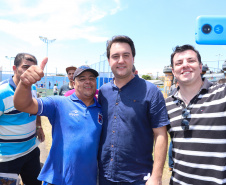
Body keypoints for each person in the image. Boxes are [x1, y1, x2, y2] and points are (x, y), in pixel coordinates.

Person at [13, 61, 102, 185]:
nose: (87, 81)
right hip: (57, 179)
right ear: (74, 83)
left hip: (88, 180)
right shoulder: (59, 103)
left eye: (91, 78)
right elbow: (22, 104)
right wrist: (25, 84)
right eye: (82, 78)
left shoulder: (103, 109)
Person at [98, 35, 169, 185]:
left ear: (133, 59)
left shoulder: (151, 91)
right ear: (109, 60)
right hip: (104, 175)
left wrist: (156, 176)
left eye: (126, 55)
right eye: (115, 56)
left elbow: (161, 134)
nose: (121, 60)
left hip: (138, 177)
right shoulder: (103, 92)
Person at [166, 44, 226, 185]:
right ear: (174, 72)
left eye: (191, 61)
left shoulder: (222, 94)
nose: (185, 65)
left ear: (200, 67)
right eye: (179, 63)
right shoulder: (167, 104)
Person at [0, 53, 45, 185]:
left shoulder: (33, 87)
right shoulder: (3, 93)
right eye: (26, 67)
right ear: (15, 69)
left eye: (33, 68)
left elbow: (36, 109)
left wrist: (38, 126)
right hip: (7, 158)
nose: (30, 72)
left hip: (31, 152)